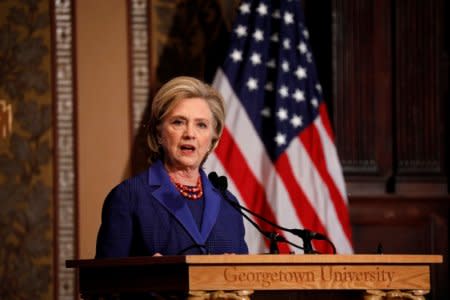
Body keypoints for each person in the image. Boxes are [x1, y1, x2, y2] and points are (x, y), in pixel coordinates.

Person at [95, 76, 248, 258]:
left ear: (212, 139)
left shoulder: (228, 204)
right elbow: (102, 281)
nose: (190, 134)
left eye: (201, 125)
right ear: (158, 133)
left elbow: (244, 279)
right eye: (178, 122)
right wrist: (146, 277)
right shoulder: (129, 197)